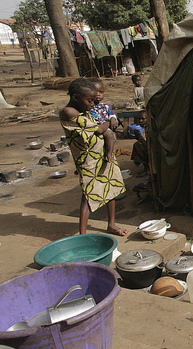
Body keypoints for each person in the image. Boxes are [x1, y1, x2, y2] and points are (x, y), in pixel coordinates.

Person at [60, 78, 127, 236]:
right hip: (87, 158)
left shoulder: (85, 109)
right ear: (76, 97)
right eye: (89, 100)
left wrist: (106, 126)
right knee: (88, 193)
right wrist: (107, 124)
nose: (92, 103)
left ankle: (111, 224)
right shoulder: (68, 112)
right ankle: (82, 234)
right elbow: (97, 129)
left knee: (111, 188)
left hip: (101, 153)